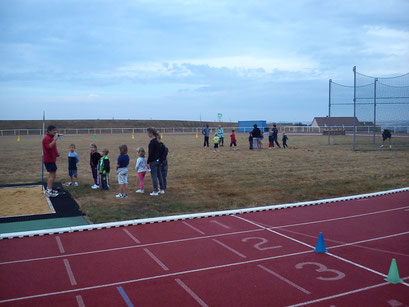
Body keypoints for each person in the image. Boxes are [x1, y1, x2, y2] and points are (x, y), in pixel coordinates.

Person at [42, 125, 60, 197]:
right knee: (52, 175)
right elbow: (49, 147)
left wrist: (56, 153)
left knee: (52, 175)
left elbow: (53, 148)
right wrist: (55, 139)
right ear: (49, 131)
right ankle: (49, 191)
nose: (55, 132)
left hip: (52, 158)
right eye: (53, 130)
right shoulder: (46, 138)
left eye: (56, 130)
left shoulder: (50, 137)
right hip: (49, 159)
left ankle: (49, 189)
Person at [147, 127, 165, 196]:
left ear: (151, 134)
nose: (147, 134)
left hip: (153, 161)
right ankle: (162, 189)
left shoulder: (152, 142)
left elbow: (151, 154)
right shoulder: (158, 141)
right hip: (159, 161)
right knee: (159, 175)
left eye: (148, 133)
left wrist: (148, 162)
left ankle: (155, 190)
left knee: (154, 176)